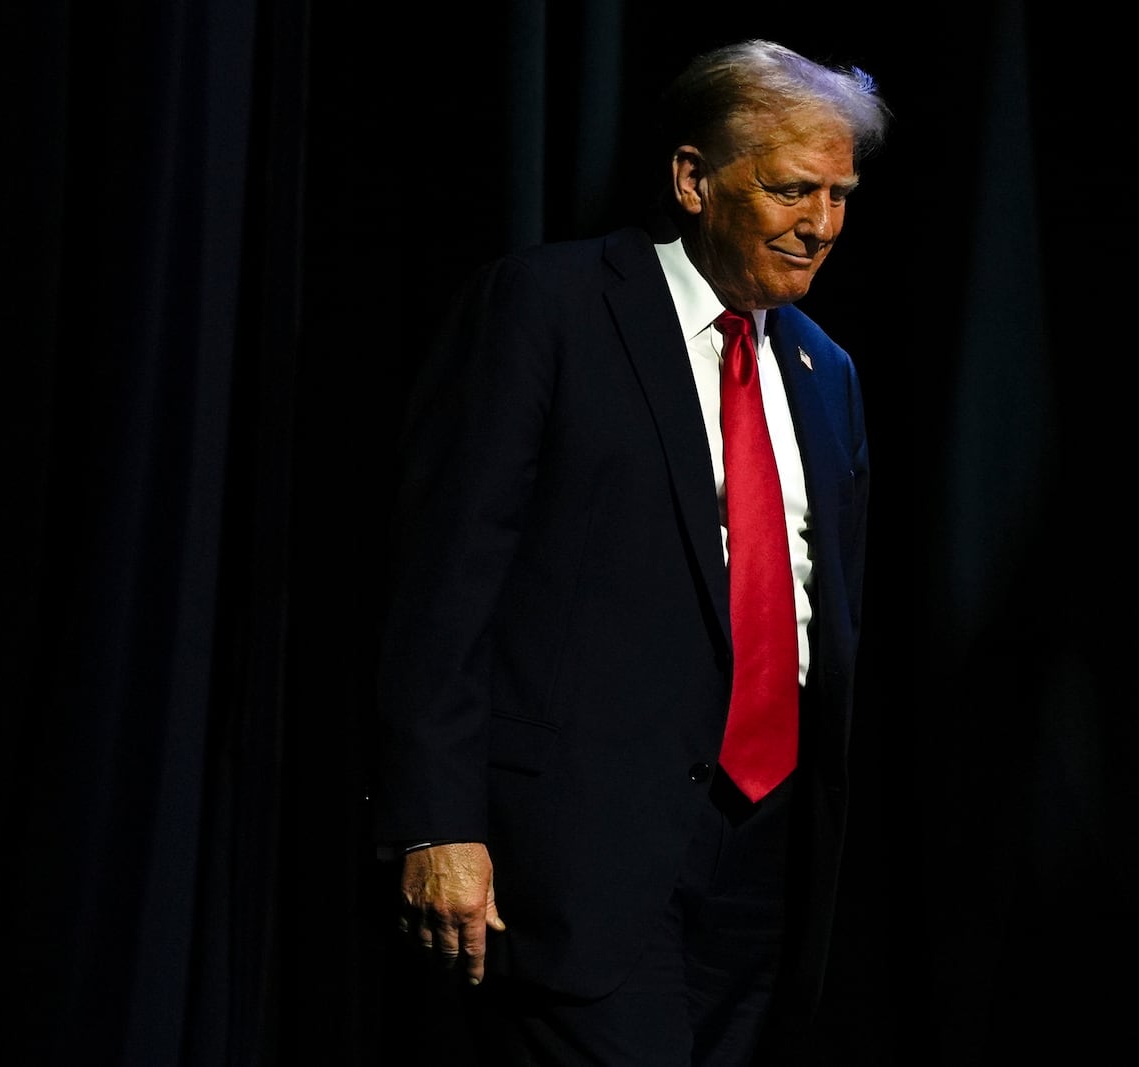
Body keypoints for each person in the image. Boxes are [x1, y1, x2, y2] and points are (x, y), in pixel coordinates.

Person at [371, 38, 891, 1065]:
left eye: (839, 195)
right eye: (791, 189)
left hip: (764, 864)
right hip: (577, 851)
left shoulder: (823, 371)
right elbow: (446, 575)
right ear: (693, 179)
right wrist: (433, 819)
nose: (819, 226)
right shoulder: (552, 307)